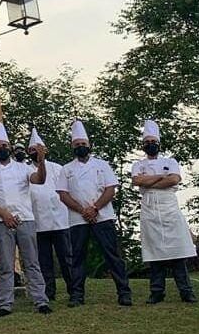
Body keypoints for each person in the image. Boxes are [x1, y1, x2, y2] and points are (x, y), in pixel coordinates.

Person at [56, 120, 132, 307]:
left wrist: (95, 208)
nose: (81, 147)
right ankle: (77, 295)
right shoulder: (66, 169)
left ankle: (124, 292)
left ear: (89, 145)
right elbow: (63, 195)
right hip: (77, 219)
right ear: (72, 147)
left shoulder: (102, 165)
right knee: (78, 258)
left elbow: (110, 190)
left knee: (112, 255)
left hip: (103, 216)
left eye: (83, 144)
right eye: (77, 145)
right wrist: (83, 210)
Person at [0, 122, 51, 317]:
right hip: (1, 222)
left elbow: (40, 180)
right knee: (5, 265)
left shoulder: (23, 168)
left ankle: (40, 300)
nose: (1, 149)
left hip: (25, 219)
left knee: (31, 262)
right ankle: (5, 304)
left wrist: (42, 161)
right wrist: (4, 214)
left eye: (4, 145)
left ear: (9, 147)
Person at [132, 120, 197, 304]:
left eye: (153, 141)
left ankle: (186, 291)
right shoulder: (138, 164)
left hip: (169, 206)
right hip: (150, 208)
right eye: (147, 142)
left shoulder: (170, 161)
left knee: (177, 253)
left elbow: (174, 179)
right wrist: (162, 176)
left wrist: (150, 180)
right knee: (155, 253)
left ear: (159, 144)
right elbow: (137, 181)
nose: (150, 145)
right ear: (143, 145)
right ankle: (157, 292)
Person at [27, 129, 72, 302]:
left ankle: (73, 290)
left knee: (66, 258)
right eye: (32, 150)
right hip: (38, 222)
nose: (35, 153)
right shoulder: (26, 170)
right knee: (44, 261)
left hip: (60, 220)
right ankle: (49, 292)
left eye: (38, 150)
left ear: (44, 150)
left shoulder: (58, 168)